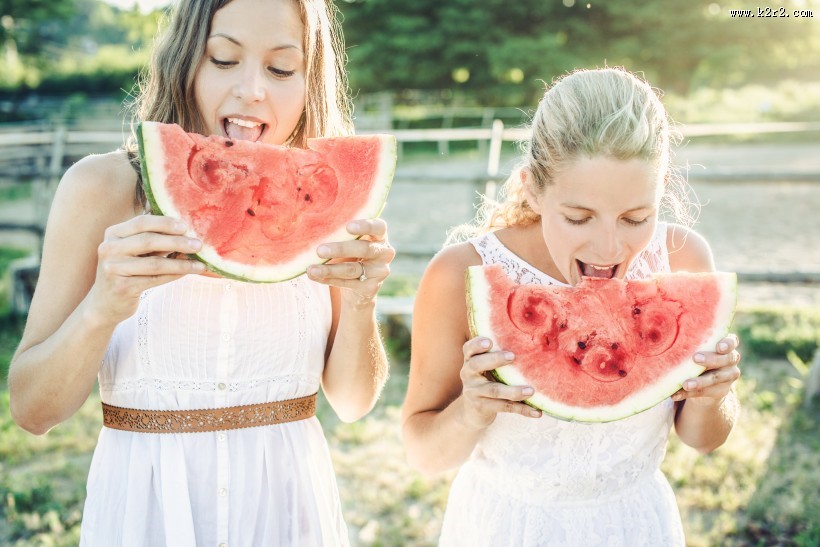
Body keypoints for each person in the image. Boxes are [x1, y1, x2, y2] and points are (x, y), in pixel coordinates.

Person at [8, 0, 394, 545]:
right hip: (148, 516)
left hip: (288, 513)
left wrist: (361, 302)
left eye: (281, 68)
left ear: (310, 83)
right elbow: (31, 410)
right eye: (223, 59)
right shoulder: (100, 189)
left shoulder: (322, 198)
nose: (252, 89)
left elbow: (354, 403)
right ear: (185, 61)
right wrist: (102, 307)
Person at [401, 67, 742, 546]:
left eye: (635, 218)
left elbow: (703, 439)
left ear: (661, 189)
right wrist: (470, 412)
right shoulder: (460, 275)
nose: (608, 247)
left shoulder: (684, 261)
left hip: (632, 524)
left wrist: (715, 396)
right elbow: (422, 453)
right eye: (579, 217)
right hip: (504, 528)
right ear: (534, 190)